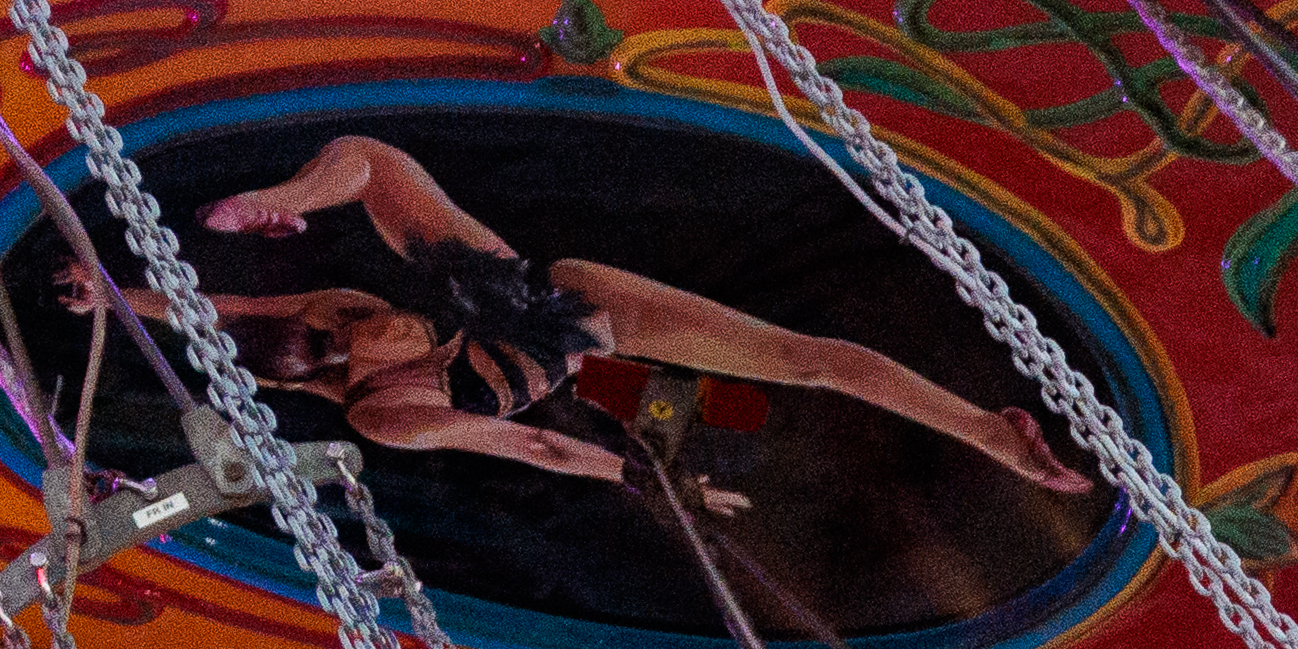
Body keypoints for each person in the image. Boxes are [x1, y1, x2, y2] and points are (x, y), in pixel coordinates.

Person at [132, 132, 1095, 496]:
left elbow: (223, 304)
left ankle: (995, 432)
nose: (371, 317)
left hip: (555, 301)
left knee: (373, 161)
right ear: (342, 368)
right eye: (356, 335)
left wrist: (114, 295)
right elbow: (535, 450)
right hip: (569, 351)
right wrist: (649, 479)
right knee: (799, 374)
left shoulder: (338, 307)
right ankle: (991, 438)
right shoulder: (386, 415)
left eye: (353, 313)